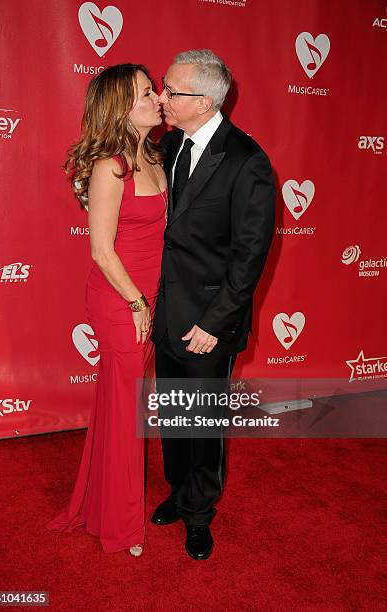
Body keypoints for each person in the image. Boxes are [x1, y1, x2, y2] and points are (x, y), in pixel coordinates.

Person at [151, 49, 276, 560]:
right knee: (175, 415)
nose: (162, 97)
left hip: (208, 319)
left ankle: (200, 514)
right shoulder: (168, 144)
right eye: (162, 85)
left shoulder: (248, 160)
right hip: (167, 310)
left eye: (171, 91)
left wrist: (215, 322)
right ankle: (179, 493)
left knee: (203, 422)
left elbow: (250, 255)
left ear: (203, 101)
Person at [45, 64, 167, 557]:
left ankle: (100, 504)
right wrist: (137, 302)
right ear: (122, 106)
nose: (157, 96)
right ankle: (121, 528)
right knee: (125, 417)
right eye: (145, 92)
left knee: (121, 409)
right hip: (122, 301)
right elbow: (100, 249)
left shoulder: (154, 155)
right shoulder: (111, 165)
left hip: (150, 297)